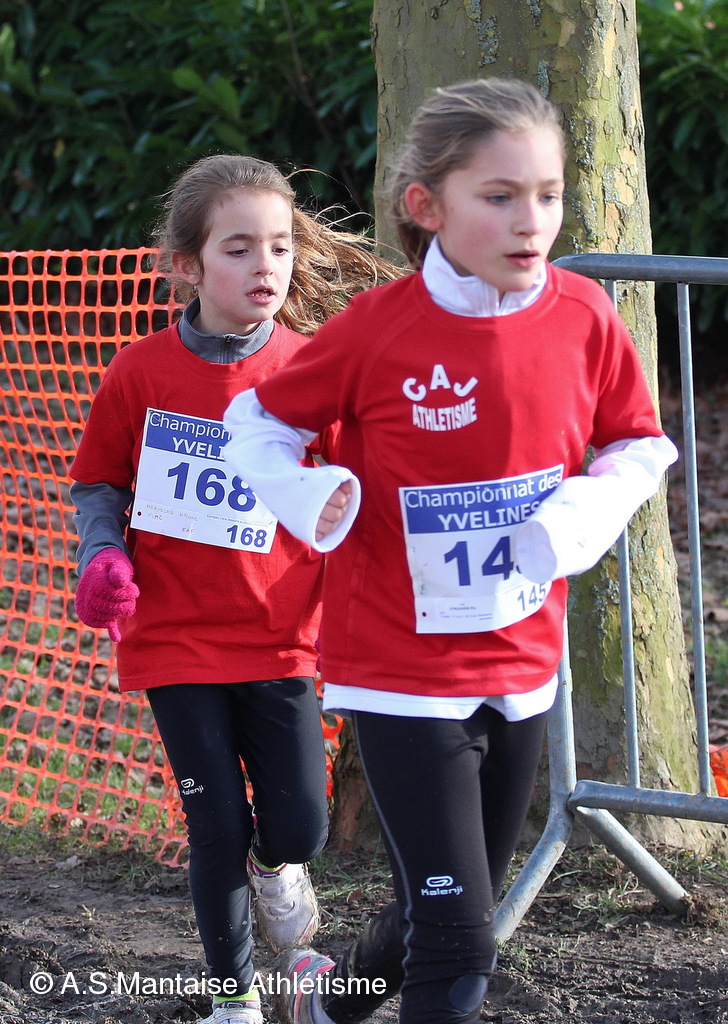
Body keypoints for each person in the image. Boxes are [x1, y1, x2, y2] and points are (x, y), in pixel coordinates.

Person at [221, 78, 679, 1024]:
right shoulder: (379, 330)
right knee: (462, 944)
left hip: (520, 661)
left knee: (439, 911)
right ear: (427, 206)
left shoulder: (584, 314)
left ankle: (322, 1004)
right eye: (499, 196)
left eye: (547, 195)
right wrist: (314, 496)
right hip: (399, 671)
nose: (531, 220)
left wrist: (574, 518)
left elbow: (639, 444)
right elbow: (254, 424)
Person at [69, 153, 402, 1024]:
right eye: (240, 248)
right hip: (174, 637)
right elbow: (98, 482)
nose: (266, 266)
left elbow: (350, 493)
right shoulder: (139, 372)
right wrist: (102, 558)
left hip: (282, 636)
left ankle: (274, 866)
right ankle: (234, 999)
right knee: (214, 825)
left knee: (299, 827)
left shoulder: (312, 371)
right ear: (187, 264)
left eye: (280, 247)